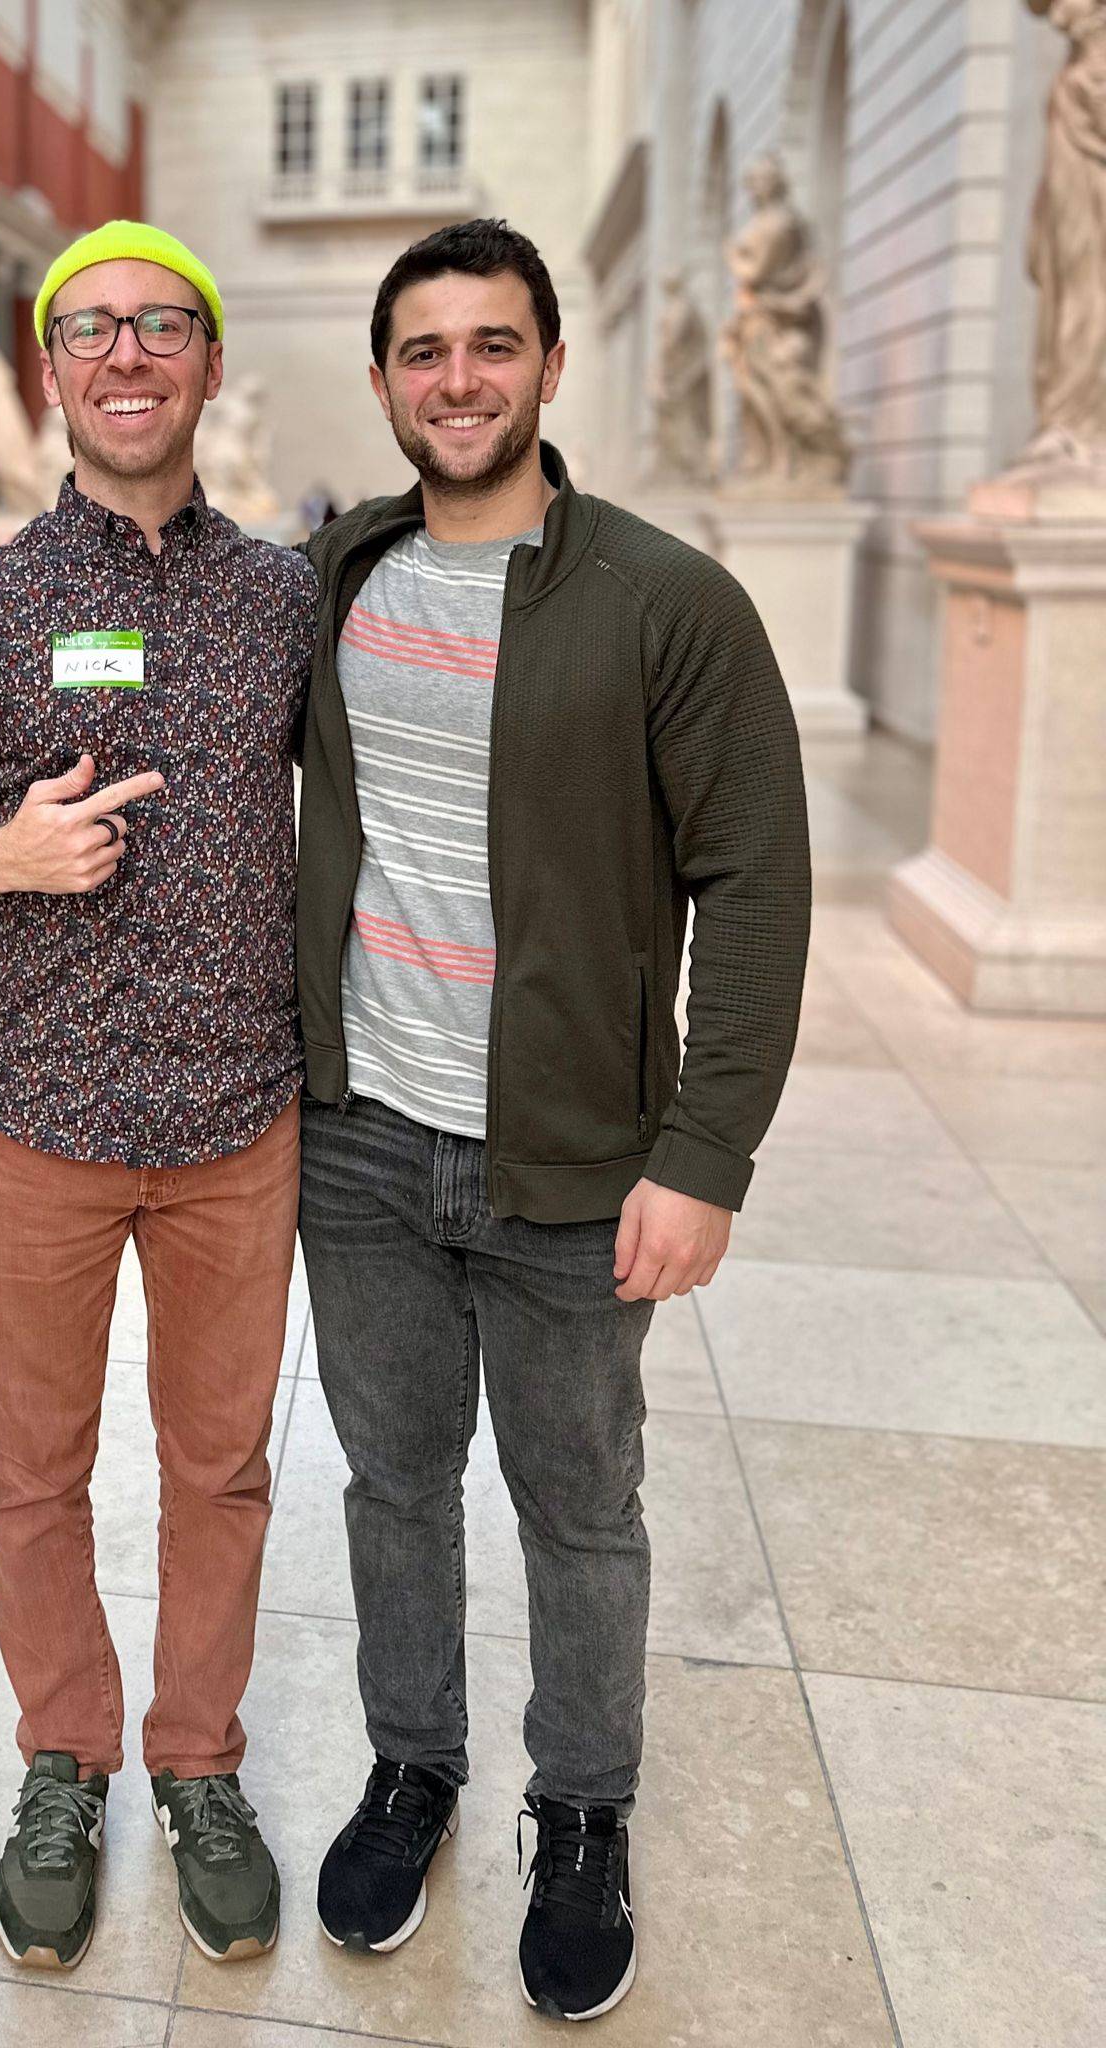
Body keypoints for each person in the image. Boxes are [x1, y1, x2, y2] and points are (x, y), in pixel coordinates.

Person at [294, 219, 809, 2022]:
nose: (456, 380)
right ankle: (408, 1762)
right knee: (388, 1481)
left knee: (578, 1505)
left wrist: (702, 1152)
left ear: (547, 365)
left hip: (575, 1157)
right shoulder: (337, 575)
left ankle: (580, 1809)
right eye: (422, 351)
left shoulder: (667, 601)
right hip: (354, 1136)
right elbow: (179, 691)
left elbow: (752, 882)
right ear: (380, 383)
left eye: (489, 345)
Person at [0, 220, 316, 1972]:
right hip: (30, 1118)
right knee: (31, 1471)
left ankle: (195, 1762)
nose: (127, 355)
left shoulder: (283, 596)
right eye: (91, 327)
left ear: (203, 360)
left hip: (230, 1125)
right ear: (49, 367)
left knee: (223, 1466)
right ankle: (63, 1752)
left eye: (160, 324)